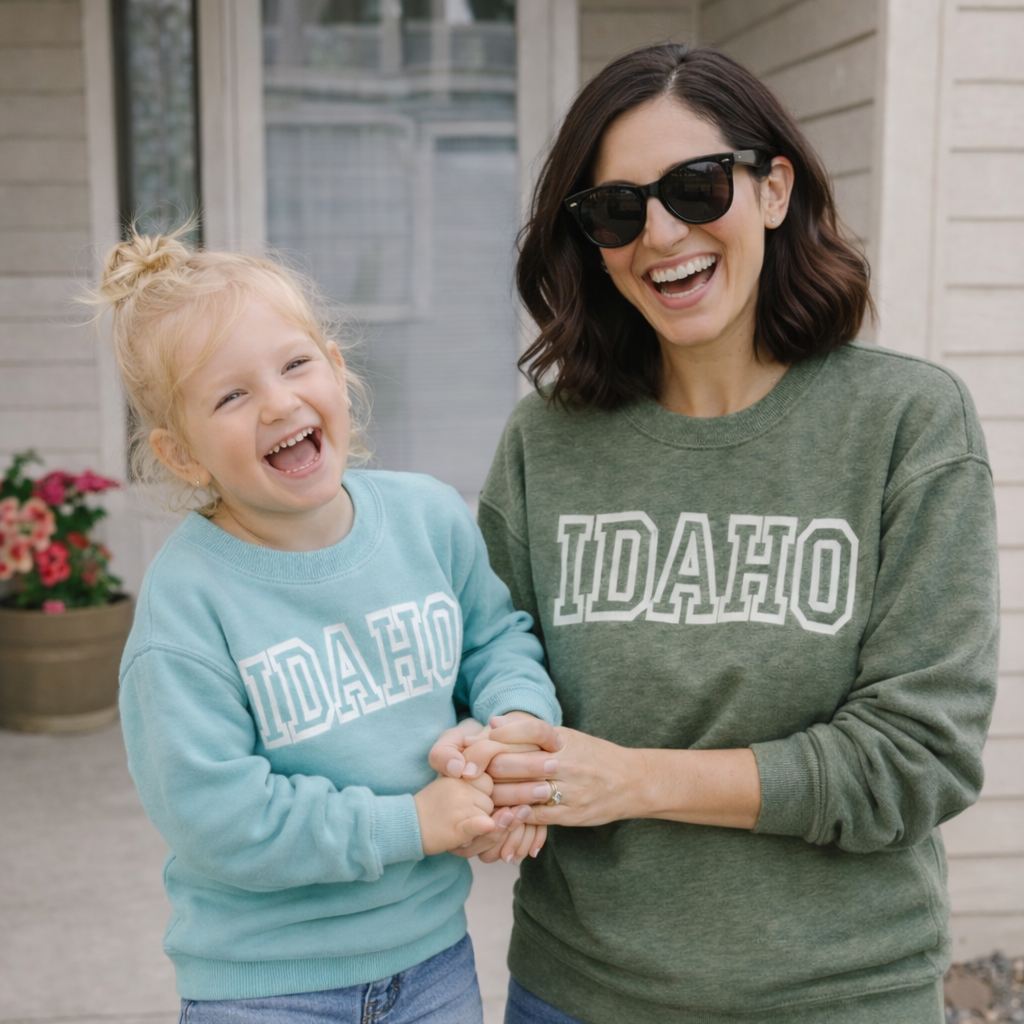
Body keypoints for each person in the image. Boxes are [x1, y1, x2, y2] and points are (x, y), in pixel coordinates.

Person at [429, 44, 999, 1024]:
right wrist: (486, 750)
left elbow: (917, 758)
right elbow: (487, 668)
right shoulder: (547, 441)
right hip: (578, 993)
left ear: (773, 188)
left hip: (836, 997)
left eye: (695, 187)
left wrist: (634, 779)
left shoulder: (908, 423)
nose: (659, 234)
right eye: (614, 209)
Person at [93, 230, 561, 1024]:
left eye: (295, 364)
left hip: (433, 961)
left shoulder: (428, 519)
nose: (278, 402)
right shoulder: (188, 604)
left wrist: (511, 733)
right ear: (183, 456)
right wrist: (411, 823)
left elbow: (497, 640)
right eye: (230, 396)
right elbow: (218, 816)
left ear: (339, 374)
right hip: (267, 985)